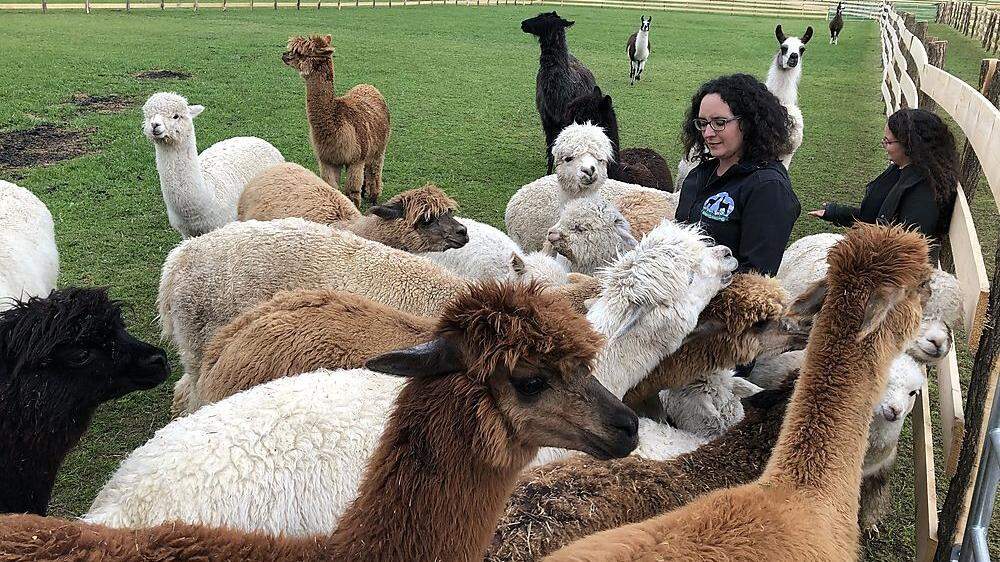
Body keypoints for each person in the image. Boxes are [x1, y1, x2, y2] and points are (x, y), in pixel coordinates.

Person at [675, 73, 801, 277]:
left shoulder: (768, 188)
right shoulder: (698, 175)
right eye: (702, 123)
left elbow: (755, 279)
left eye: (719, 122)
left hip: (720, 304)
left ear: (749, 123)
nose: (707, 133)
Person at [809, 108, 959, 261]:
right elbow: (877, 216)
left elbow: (906, 253)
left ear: (910, 145)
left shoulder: (923, 193)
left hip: (891, 274)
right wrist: (836, 212)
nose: (884, 146)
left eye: (888, 142)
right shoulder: (903, 170)